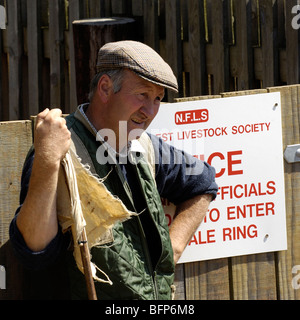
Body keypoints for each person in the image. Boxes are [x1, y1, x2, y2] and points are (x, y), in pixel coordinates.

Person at [9, 41, 218, 300]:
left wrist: (172, 248)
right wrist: (48, 159)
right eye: (142, 94)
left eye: (157, 99)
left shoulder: (144, 146)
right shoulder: (62, 149)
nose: (150, 111)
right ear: (106, 88)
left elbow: (204, 181)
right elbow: (34, 250)